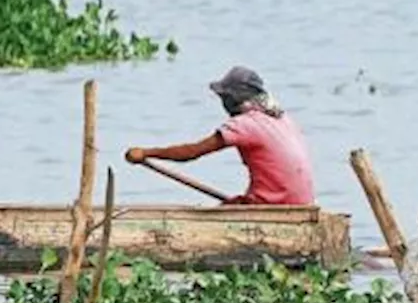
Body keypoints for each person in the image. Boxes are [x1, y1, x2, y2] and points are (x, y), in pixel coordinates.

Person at [125, 67, 315, 206]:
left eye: (225, 98)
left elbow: (191, 152)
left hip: (277, 205)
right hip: (303, 202)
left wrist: (146, 153)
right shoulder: (282, 118)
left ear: (233, 100)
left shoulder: (245, 124)